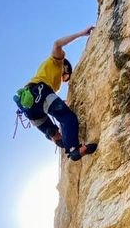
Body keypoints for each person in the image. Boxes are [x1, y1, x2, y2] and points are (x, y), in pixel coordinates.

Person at [14, 26, 97, 161]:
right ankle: (74, 149)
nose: (65, 81)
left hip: (30, 109)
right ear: (66, 68)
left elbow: (52, 102)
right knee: (67, 117)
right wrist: (81, 33)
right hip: (39, 92)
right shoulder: (57, 63)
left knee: (55, 135)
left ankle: (56, 137)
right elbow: (57, 44)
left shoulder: (45, 74)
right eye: (67, 77)